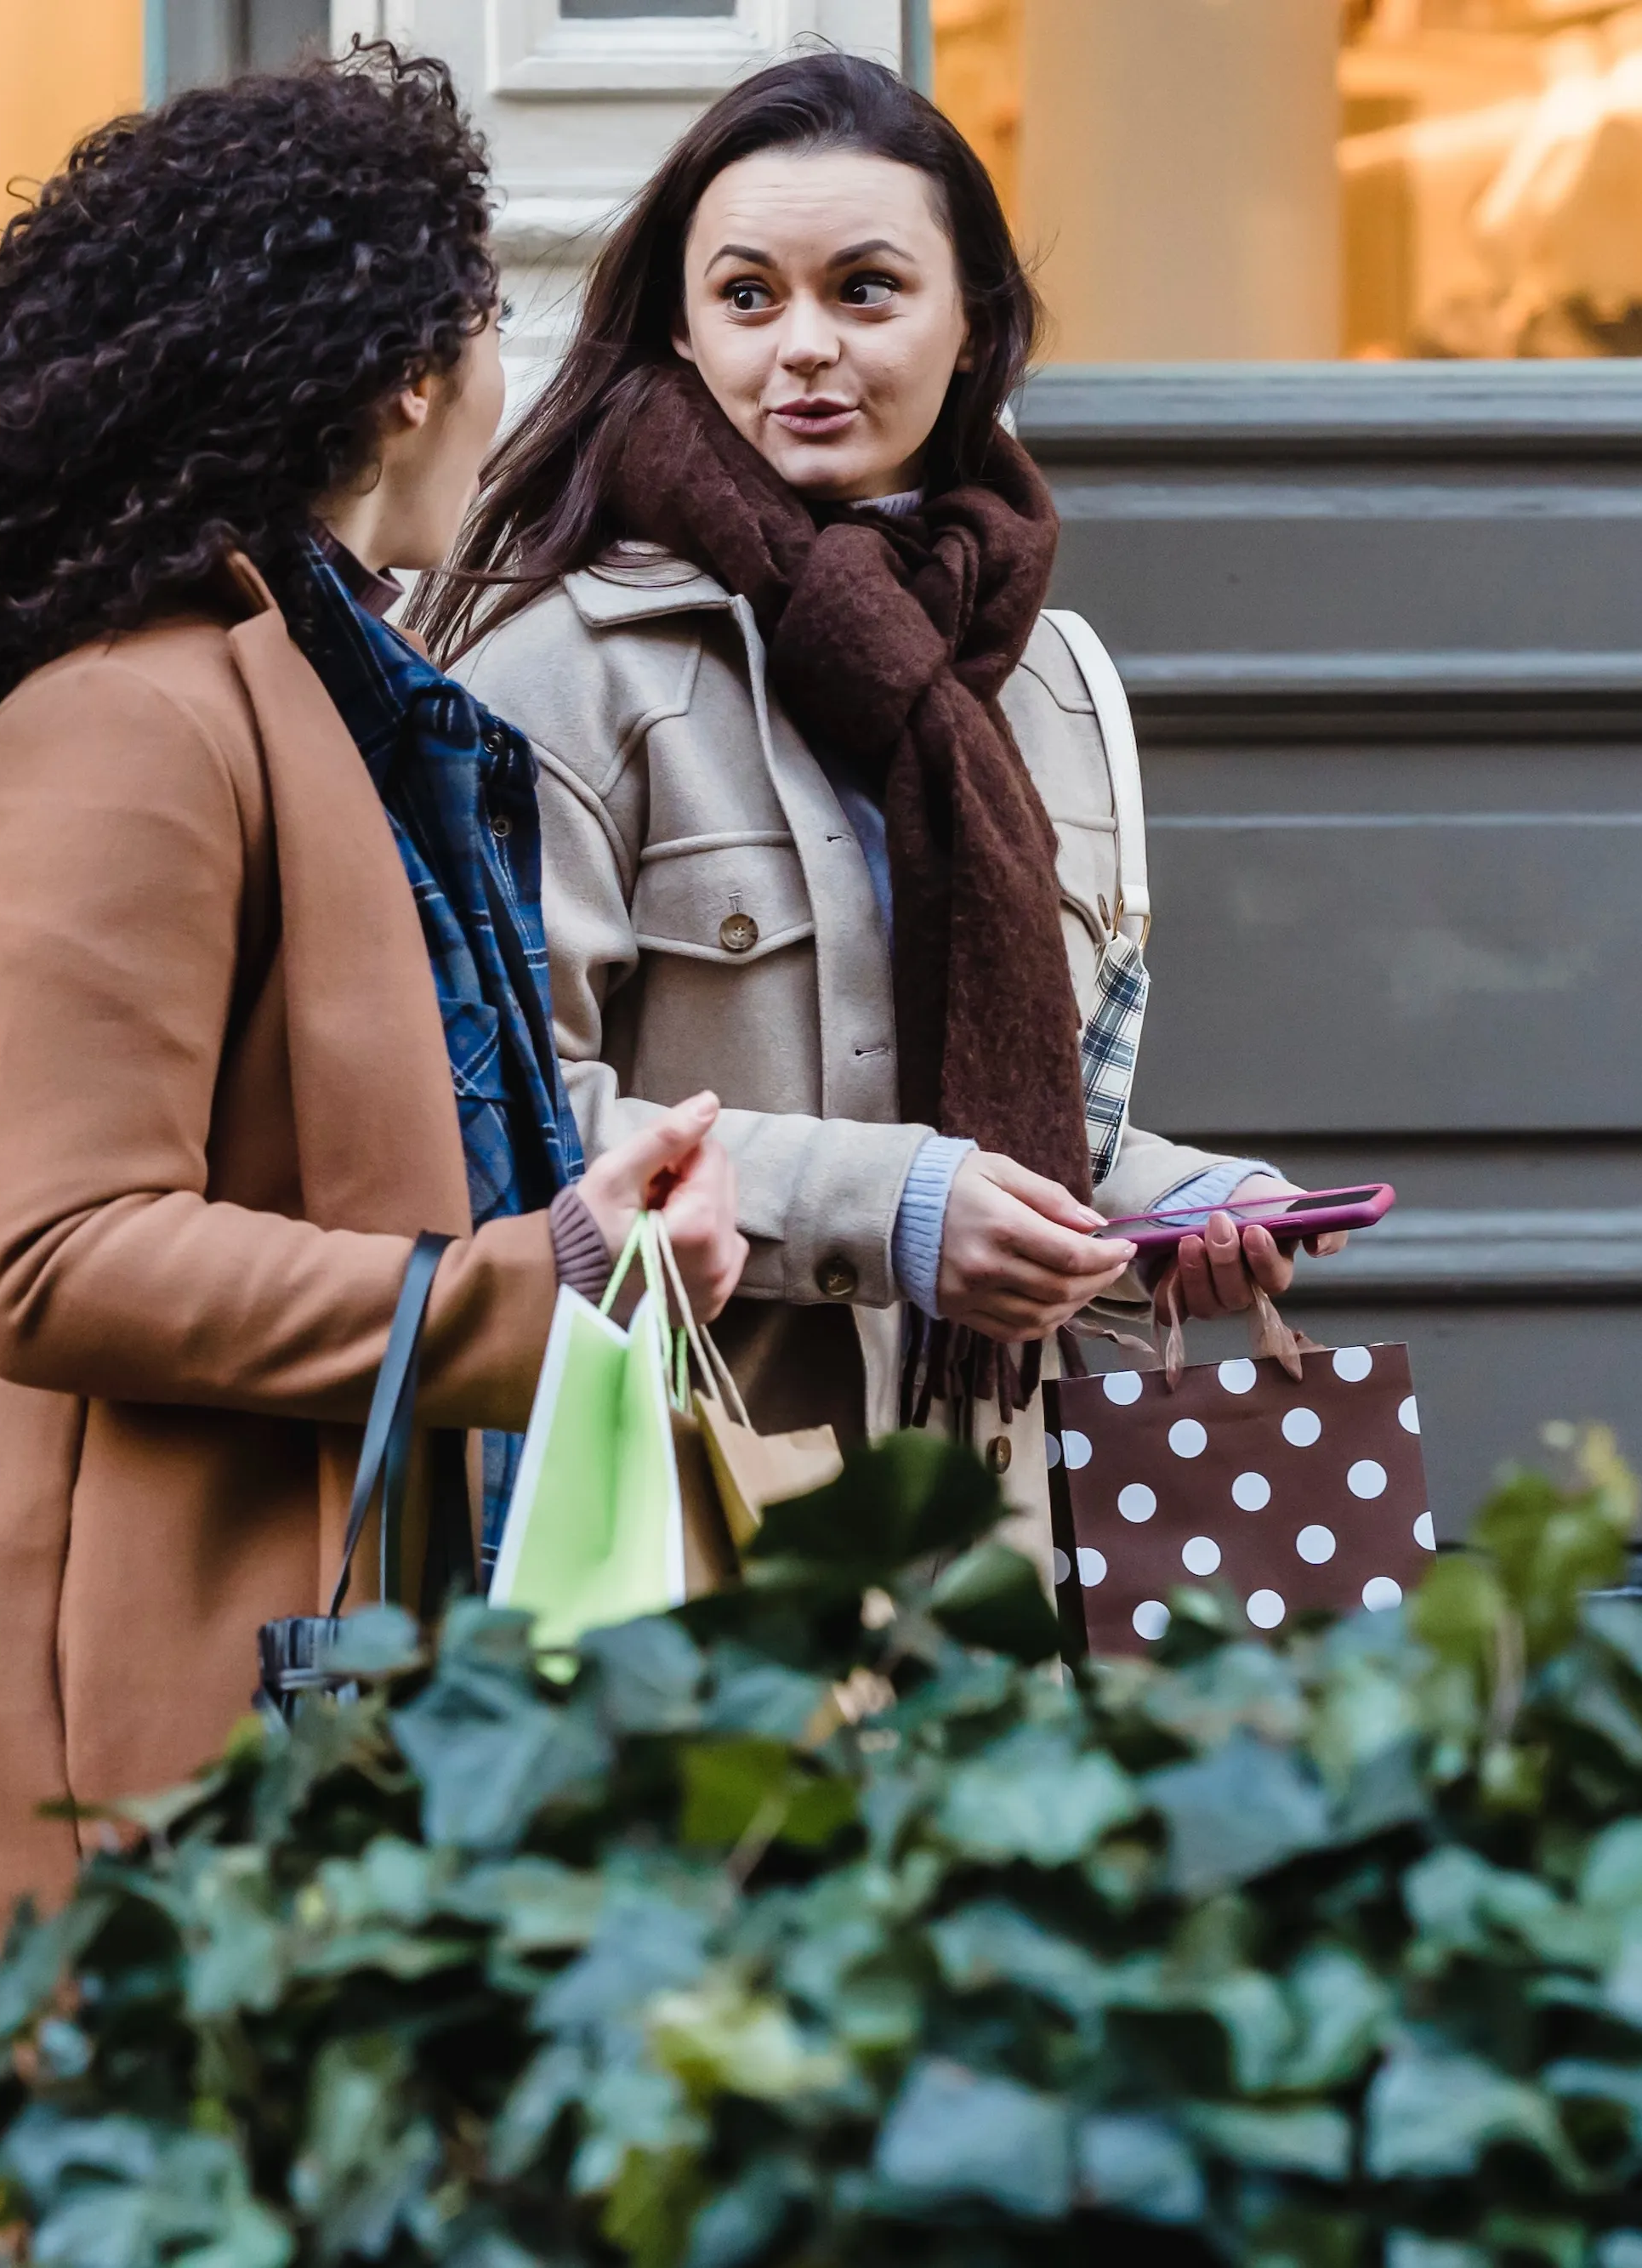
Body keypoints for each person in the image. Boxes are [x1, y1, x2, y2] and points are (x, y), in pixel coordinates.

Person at [0, 54, 744, 2268]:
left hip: (267, 1751)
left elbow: (341, 1155)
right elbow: (50, 1253)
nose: (504, 386)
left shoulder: (314, 692)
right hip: (85, 1815)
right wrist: (529, 1282)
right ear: (411, 370)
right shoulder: (136, 718)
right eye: (492, 332)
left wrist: (579, 1219)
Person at [429, 53, 1336, 1529]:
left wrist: (1174, 1204)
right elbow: (502, 1124)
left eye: (864, 289)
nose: (803, 346)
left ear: (974, 326)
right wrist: (890, 1215)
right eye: (747, 296)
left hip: (998, 1543)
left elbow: (1033, 1110)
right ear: (680, 327)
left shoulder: (1047, 680)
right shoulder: (563, 681)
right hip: (695, 1544)